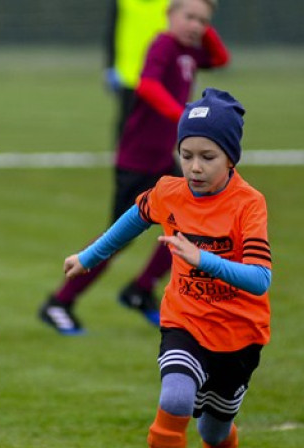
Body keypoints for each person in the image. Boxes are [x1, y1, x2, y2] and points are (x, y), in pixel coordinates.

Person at [62, 88, 271, 448]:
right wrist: (90, 257)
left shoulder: (248, 204)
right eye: (186, 154)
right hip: (185, 320)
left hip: (239, 334)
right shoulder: (169, 191)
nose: (194, 167)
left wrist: (201, 259)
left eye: (207, 156)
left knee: (214, 429)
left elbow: (259, 280)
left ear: (231, 157)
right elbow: (132, 220)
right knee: (175, 396)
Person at [41, 0, 229, 335]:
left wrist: (203, 23)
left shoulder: (188, 50)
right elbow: (148, 85)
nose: (196, 26)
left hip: (162, 161)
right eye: (189, 17)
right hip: (137, 161)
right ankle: (60, 302)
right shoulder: (164, 44)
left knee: (191, 226)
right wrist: (182, 117)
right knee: (118, 237)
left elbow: (219, 59)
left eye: (203, 21)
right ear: (169, 15)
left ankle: (140, 290)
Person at [103, 0, 168, 140]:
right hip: (129, 73)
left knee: (160, 123)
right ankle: (123, 157)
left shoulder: (170, 3)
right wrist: (110, 67)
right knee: (128, 120)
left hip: (161, 74)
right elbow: (111, 32)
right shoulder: (122, 2)